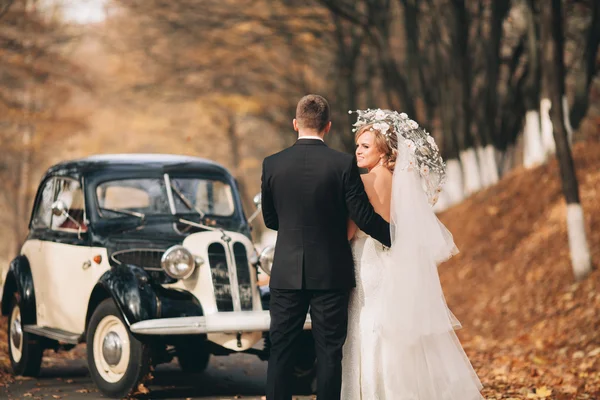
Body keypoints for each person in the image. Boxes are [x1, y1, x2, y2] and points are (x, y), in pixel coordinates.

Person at [342, 108, 484, 399]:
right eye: (357, 144)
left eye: (365, 146)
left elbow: (349, 232)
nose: (357, 151)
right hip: (394, 264)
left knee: (366, 325)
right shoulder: (406, 184)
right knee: (396, 332)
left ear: (383, 151)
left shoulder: (363, 183)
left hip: (368, 261)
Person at [261, 95, 391, 400]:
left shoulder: (272, 164)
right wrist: (396, 236)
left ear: (296, 124)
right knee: (330, 352)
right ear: (328, 127)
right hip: (331, 272)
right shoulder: (343, 163)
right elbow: (363, 217)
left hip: (287, 273)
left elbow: (270, 219)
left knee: (281, 350)